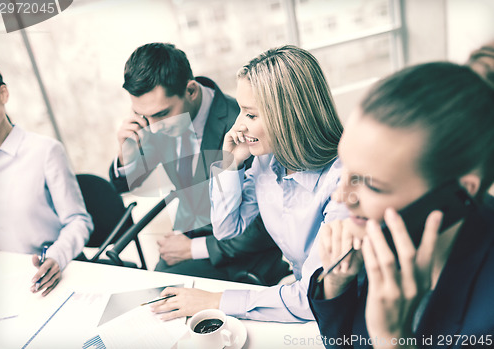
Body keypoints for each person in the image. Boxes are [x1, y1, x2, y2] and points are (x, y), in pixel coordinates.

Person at [152, 45, 347, 322]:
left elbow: (312, 296)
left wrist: (215, 301)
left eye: (250, 114)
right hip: (300, 296)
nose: (238, 125)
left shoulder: (343, 182)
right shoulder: (268, 162)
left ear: (288, 116)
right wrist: (228, 164)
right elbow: (226, 228)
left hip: (344, 311)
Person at [308, 62, 494, 348]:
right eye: (346, 167)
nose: (340, 196)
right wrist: (337, 284)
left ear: (459, 191)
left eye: (372, 184)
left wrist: (395, 341)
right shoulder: (385, 234)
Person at [109, 42, 290, 284]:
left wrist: (194, 248)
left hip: (242, 255)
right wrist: (126, 154)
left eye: (161, 114)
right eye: (143, 115)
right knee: (150, 290)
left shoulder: (245, 125)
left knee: (160, 292)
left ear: (191, 91)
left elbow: (268, 220)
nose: (152, 127)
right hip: (188, 241)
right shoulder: (158, 120)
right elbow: (129, 187)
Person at [0, 65, 93, 296]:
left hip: (49, 276)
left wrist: (56, 257)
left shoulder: (45, 151)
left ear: (3, 94)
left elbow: (79, 220)